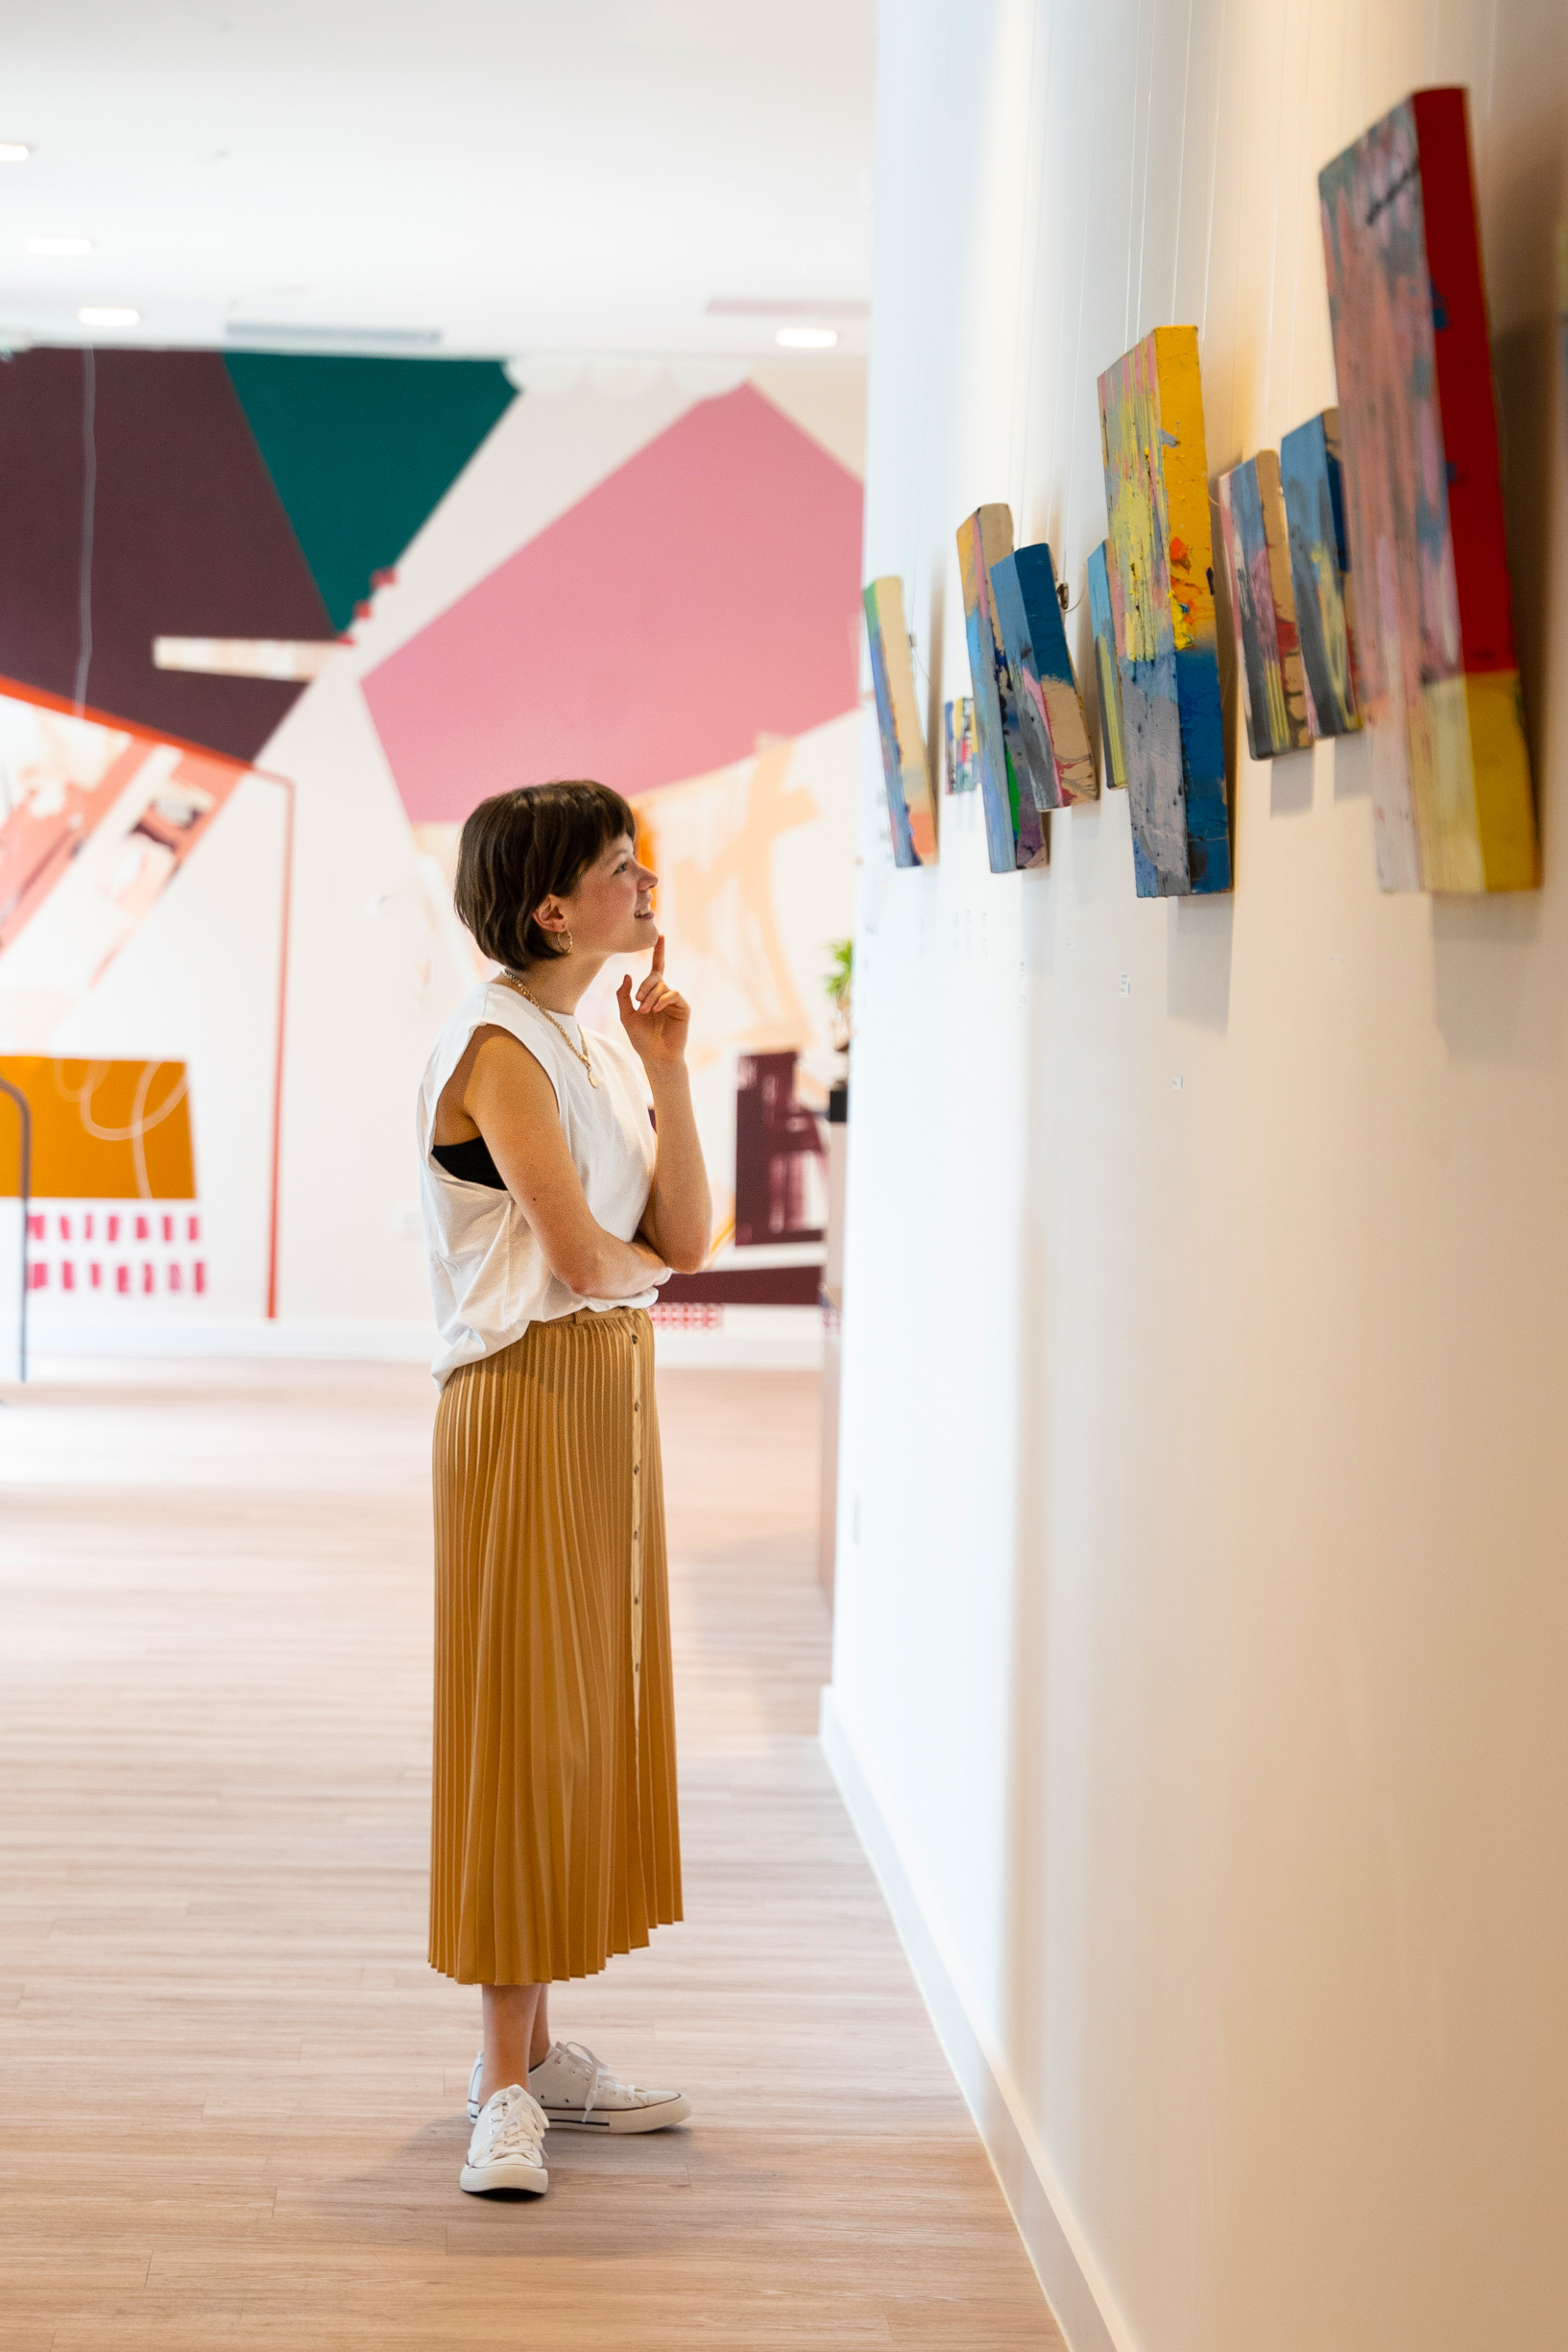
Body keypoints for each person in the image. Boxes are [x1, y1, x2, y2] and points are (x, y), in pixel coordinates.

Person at [416, 780, 711, 2199]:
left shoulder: (585, 1044)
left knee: (580, 1722)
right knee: (519, 1733)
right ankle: (495, 2085)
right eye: (617, 864)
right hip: (525, 1405)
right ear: (552, 906)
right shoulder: (497, 1047)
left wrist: (668, 1065)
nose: (641, 877)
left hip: (601, 1401)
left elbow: (683, 1235)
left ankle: (538, 2053)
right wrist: (635, 1274)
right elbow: (591, 1264)